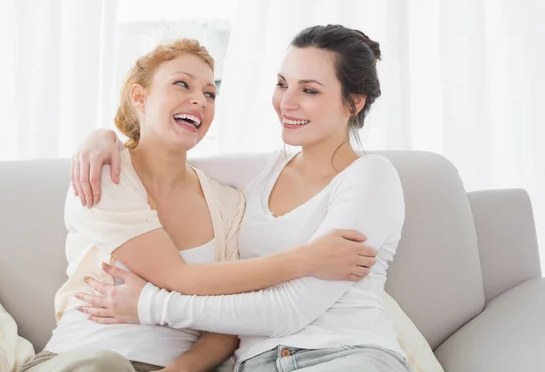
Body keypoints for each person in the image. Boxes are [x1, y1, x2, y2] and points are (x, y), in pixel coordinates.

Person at [21, 37, 378, 372]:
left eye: (210, 93)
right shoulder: (104, 175)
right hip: (84, 360)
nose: (200, 100)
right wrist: (308, 258)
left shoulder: (226, 199)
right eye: (182, 84)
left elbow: (226, 328)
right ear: (139, 97)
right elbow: (177, 277)